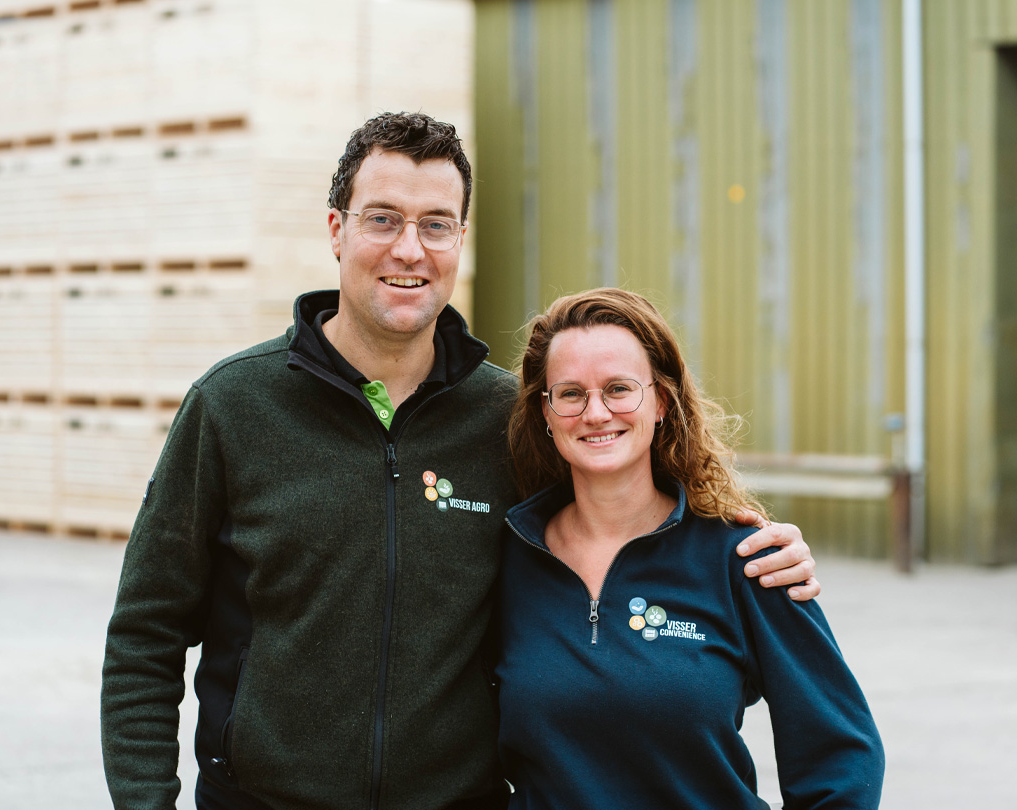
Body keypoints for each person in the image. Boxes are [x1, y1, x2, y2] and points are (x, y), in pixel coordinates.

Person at [101, 113, 820, 810]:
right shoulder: (233, 407)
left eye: (435, 224)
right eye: (382, 218)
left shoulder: (508, 420)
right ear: (336, 230)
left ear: (460, 240)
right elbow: (147, 631)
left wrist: (745, 542)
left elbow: (627, 507)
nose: (409, 249)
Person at [496, 288, 884, 809]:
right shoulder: (508, 557)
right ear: (545, 412)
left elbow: (841, 752)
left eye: (619, 389)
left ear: (661, 401)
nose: (595, 412)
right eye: (569, 394)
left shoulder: (744, 558)